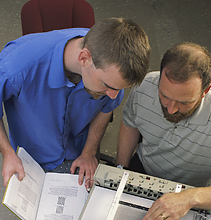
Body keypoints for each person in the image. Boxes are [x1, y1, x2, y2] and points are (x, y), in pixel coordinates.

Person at [0, 18, 150, 188]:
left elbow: (106, 108)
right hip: (34, 158)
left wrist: (89, 152)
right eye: (108, 87)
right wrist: (8, 153)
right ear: (84, 58)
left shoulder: (112, 72)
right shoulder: (16, 66)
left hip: (79, 150)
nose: (114, 96)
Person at [116, 42, 211, 220]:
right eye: (164, 96)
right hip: (145, 172)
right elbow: (130, 123)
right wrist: (121, 170)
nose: (171, 109)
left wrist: (189, 197)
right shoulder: (145, 85)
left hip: (197, 192)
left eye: (184, 102)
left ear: (205, 91)